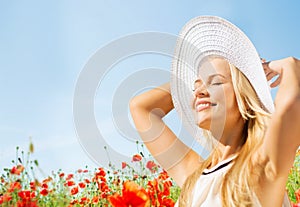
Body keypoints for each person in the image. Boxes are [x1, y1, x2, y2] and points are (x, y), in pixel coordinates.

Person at [130, 16, 300, 207]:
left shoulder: (261, 165)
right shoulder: (194, 176)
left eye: (216, 82)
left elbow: (291, 107)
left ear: (243, 96)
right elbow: (142, 108)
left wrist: (289, 65)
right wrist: (189, 80)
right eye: (195, 87)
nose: (199, 92)